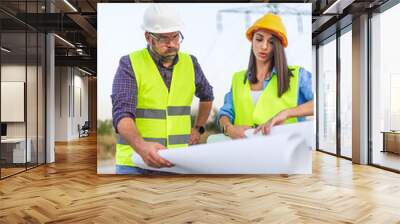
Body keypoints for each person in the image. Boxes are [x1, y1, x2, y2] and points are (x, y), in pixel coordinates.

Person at [111, 4, 214, 174]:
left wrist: (198, 128)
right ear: (148, 37)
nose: (172, 44)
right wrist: (141, 147)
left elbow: (207, 96)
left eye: (175, 37)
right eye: (164, 39)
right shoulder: (130, 64)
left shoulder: (191, 63)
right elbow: (122, 114)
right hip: (136, 163)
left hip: (178, 160)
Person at [216, 13, 313, 140]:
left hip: (285, 153)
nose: (264, 46)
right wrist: (228, 128)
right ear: (252, 41)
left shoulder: (298, 76)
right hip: (244, 154)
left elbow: (322, 103)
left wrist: (287, 113)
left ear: (278, 47)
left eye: (271, 42)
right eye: (259, 39)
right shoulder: (238, 78)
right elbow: (225, 113)